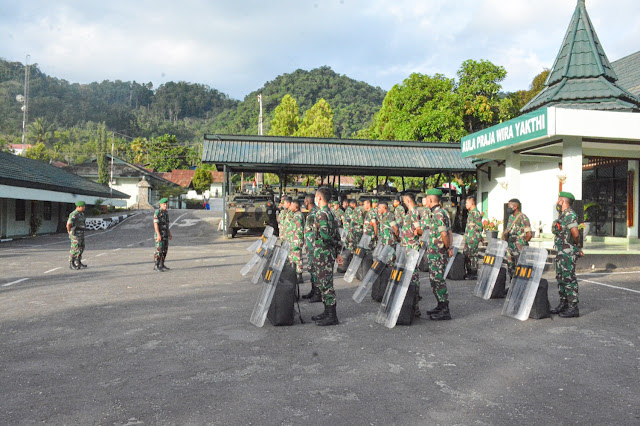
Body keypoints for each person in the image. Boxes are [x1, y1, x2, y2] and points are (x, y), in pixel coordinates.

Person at [310, 188, 343, 326]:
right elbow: (337, 235)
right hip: (326, 253)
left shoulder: (321, 214)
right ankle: (326, 311)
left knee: (326, 284)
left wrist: (332, 247)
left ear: (319, 197)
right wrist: (337, 252)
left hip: (323, 253)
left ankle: (332, 316)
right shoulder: (331, 213)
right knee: (323, 283)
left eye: (315, 197)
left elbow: (326, 236)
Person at [421, 189, 454, 321]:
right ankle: (440, 305)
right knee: (434, 280)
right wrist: (450, 247)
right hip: (435, 252)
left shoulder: (438, 214)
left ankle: (445, 310)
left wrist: (446, 247)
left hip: (437, 253)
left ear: (430, 200)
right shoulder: (442, 212)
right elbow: (449, 231)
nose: (426, 202)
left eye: (427, 199)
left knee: (438, 280)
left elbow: (444, 234)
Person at [551, 192, 583, 318]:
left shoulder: (570, 214)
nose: (557, 203)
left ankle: (573, 307)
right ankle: (563, 304)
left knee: (569, 278)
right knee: (561, 278)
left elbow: (575, 233)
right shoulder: (562, 215)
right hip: (561, 252)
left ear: (562, 201)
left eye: (558, 200)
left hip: (567, 253)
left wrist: (576, 245)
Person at [399, 192, 422, 317]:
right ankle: (411, 304)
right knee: (408, 276)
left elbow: (420, 230)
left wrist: (416, 231)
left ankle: (415, 306)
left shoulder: (414, 213)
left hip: (412, 248)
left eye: (404, 200)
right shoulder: (410, 213)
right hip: (407, 248)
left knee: (413, 277)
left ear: (408, 200)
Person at [502, 198, 532, 281]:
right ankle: (512, 285)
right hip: (510, 247)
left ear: (515, 207)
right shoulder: (511, 217)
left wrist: (522, 244)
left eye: (509, 206)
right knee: (511, 267)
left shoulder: (523, 217)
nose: (508, 208)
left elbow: (529, 234)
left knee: (520, 268)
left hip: (518, 249)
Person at [302, 194, 321, 301]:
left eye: (305, 201)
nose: (304, 203)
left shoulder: (314, 213)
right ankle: (314, 290)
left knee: (315, 269)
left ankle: (318, 293)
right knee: (311, 269)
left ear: (308, 201)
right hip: (310, 246)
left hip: (314, 247)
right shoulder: (312, 212)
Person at [463, 196, 484, 280]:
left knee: (472, 255)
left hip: (473, 238)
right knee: (466, 254)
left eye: (467, 203)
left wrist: (477, 237)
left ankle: (473, 272)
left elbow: (479, 226)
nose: (465, 205)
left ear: (472, 203)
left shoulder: (475, 213)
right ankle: (468, 272)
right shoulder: (471, 213)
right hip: (469, 238)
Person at [288, 199, 305, 283]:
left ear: (296, 206)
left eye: (291, 205)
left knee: (297, 257)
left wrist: (297, 241)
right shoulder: (295, 214)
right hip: (293, 239)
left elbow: (299, 229)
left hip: (296, 240)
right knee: (292, 257)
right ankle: (294, 274)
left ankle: (299, 275)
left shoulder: (298, 215)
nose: (290, 207)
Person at [153, 197, 172, 271]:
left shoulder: (166, 213)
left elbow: (166, 224)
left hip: (165, 234)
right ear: (160, 205)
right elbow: (155, 224)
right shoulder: (158, 213)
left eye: (166, 204)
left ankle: (162, 264)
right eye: (164, 204)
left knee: (165, 250)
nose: (165, 205)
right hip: (159, 234)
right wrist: (158, 234)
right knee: (159, 250)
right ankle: (156, 265)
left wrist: (169, 233)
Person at [67, 201, 87, 270]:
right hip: (75, 234)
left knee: (82, 247)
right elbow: (69, 224)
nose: (84, 207)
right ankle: (71, 263)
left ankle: (78, 261)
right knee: (75, 248)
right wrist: (69, 232)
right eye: (83, 206)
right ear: (78, 207)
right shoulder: (74, 214)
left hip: (81, 233)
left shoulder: (81, 214)